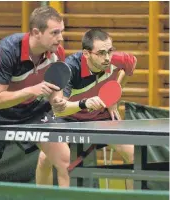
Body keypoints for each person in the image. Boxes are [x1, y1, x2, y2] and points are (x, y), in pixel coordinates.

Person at [0, 6, 70, 187]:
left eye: (61, 32)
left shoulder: (56, 52)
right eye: (55, 32)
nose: (60, 38)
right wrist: (32, 90)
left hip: (32, 110)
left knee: (64, 160)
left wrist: (58, 101)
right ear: (36, 32)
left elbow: (56, 88)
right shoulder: (7, 51)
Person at [36, 28, 137, 189]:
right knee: (45, 159)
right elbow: (60, 109)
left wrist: (114, 97)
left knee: (133, 155)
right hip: (69, 117)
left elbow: (130, 63)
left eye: (110, 51)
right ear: (86, 53)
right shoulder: (70, 69)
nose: (107, 58)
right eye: (101, 53)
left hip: (100, 116)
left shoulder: (115, 59)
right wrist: (84, 103)